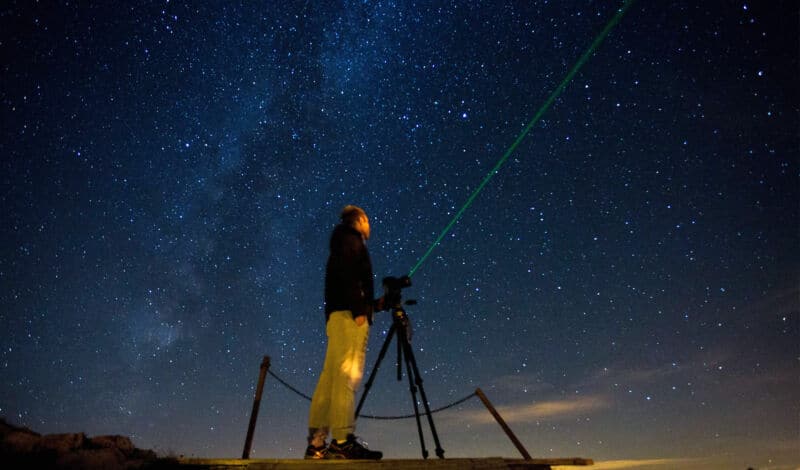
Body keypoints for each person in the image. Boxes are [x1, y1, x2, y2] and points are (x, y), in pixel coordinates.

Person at [305, 205, 384, 460]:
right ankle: (342, 440)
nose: (370, 226)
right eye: (368, 221)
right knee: (346, 376)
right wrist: (359, 309)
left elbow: (345, 278)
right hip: (349, 316)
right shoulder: (351, 240)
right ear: (359, 220)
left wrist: (371, 306)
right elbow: (349, 275)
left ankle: (317, 443)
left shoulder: (340, 241)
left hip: (339, 316)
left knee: (330, 379)